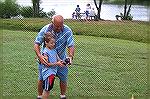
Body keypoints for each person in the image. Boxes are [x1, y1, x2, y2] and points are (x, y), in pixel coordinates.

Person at [34, 15, 75, 99]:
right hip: (46, 60)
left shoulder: (67, 30)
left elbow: (71, 45)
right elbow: (36, 44)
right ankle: (39, 96)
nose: (59, 28)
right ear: (52, 23)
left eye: (61, 26)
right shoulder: (45, 29)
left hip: (61, 60)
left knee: (63, 78)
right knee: (41, 79)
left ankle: (63, 96)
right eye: (57, 26)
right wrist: (39, 56)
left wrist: (70, 57)